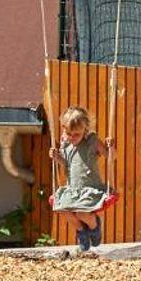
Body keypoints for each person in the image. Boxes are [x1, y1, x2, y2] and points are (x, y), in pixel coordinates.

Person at [48, 106, 116, 251]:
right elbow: (66, 163)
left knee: (81, 213)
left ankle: (94, 226)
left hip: (90, 189)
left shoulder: (92, 141)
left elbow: (110, 157)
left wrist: (110, 148)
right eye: (69, 133)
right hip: (73, 190)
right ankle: (81, 232)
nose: (72, 137)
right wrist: (56, 157)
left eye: (76, 134)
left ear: (85, 129)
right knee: (62, 209)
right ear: (64, 129)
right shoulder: (66, 144)